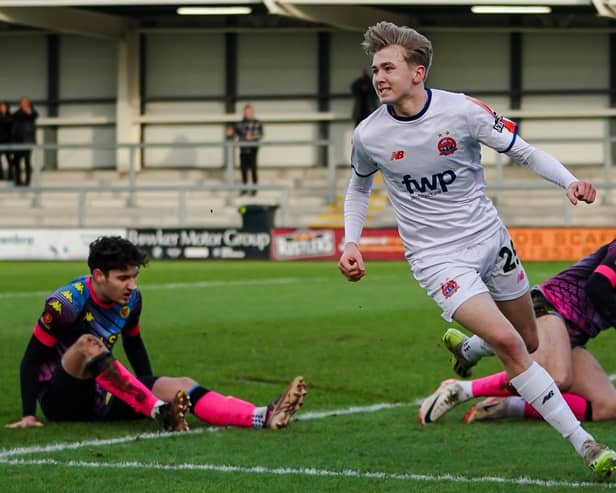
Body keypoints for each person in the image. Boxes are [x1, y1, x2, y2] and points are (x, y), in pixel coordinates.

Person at [336, 21, 615, 480]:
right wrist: (351, 241)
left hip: (490, 240)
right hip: (437, 257)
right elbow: (358, 188)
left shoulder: (463, 111)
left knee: (528, 339)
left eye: (388, 67)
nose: (378, 77)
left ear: (418, 72)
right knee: (509, 344)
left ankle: (468, 348)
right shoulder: (370, 135)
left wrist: (570, 182)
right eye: (375, 69)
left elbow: (523, 152)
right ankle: (586, 445)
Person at [6, 236, 306, 431]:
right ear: (98, 276)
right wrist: (28, 414)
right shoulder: (65, 304)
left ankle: (262, 416)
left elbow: (135, 345)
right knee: (88, 345)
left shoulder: (132, 300)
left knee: (181, 384)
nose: (132, 285)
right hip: (61, 401)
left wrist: (150, 385)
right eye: (123, 278)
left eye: (135, 277)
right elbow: (31, 359)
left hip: (103, 393)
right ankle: (160, 411)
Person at [421, 239, 616, 426]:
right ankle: (461, 389)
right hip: (549, 307)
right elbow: (598, 287)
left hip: (573, 334)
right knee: (557, 377)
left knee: (607, 407)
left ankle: (508, 405)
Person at [226, 104, 263, 196]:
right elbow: (232, 133)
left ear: (252, 112)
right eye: (246, 112)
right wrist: (229, 133)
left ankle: (254, 189)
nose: (248, 114)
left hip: (253, 149)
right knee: (243, 168)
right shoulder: (240, 124)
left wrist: (252, 136)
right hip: (243, 149)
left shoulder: (257, 123)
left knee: (253, 168)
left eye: (249, 112)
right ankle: (244, 188)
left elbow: (260, 134)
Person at [11, 96, 38, 187]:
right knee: (17, 162)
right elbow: (13, 123)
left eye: (26, 102)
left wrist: (28, 111)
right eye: (23, 102)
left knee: (27, 161)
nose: (24, 104)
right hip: (18, 141)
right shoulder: (16, 114)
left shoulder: (32, 112)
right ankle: (18, 181)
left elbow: (33, 115)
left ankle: (27, 181)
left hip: (28, 141)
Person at [0, 101, 13, 181]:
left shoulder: (10, 116)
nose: (2, 108)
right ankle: (0, 175)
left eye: (4, 106)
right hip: (0, 140)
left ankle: (11, 175)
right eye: (1, 107)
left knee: (9, 159)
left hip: (8, 141)